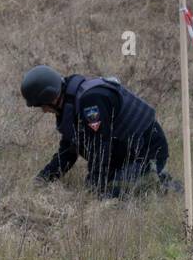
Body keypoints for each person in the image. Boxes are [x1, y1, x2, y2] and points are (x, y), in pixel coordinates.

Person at [21, 64, 182, 197]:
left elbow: (100, 146)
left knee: (112, 194)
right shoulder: (70, 106)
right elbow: (68, 152)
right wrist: (42, 179)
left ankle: (166, 186)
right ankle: (153, 178)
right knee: (105, 188)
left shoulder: (91, 101)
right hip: (125, 153)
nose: (43, 110)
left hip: (149, 150)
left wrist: (94, 187)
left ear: (52, 97)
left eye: (42, 105)